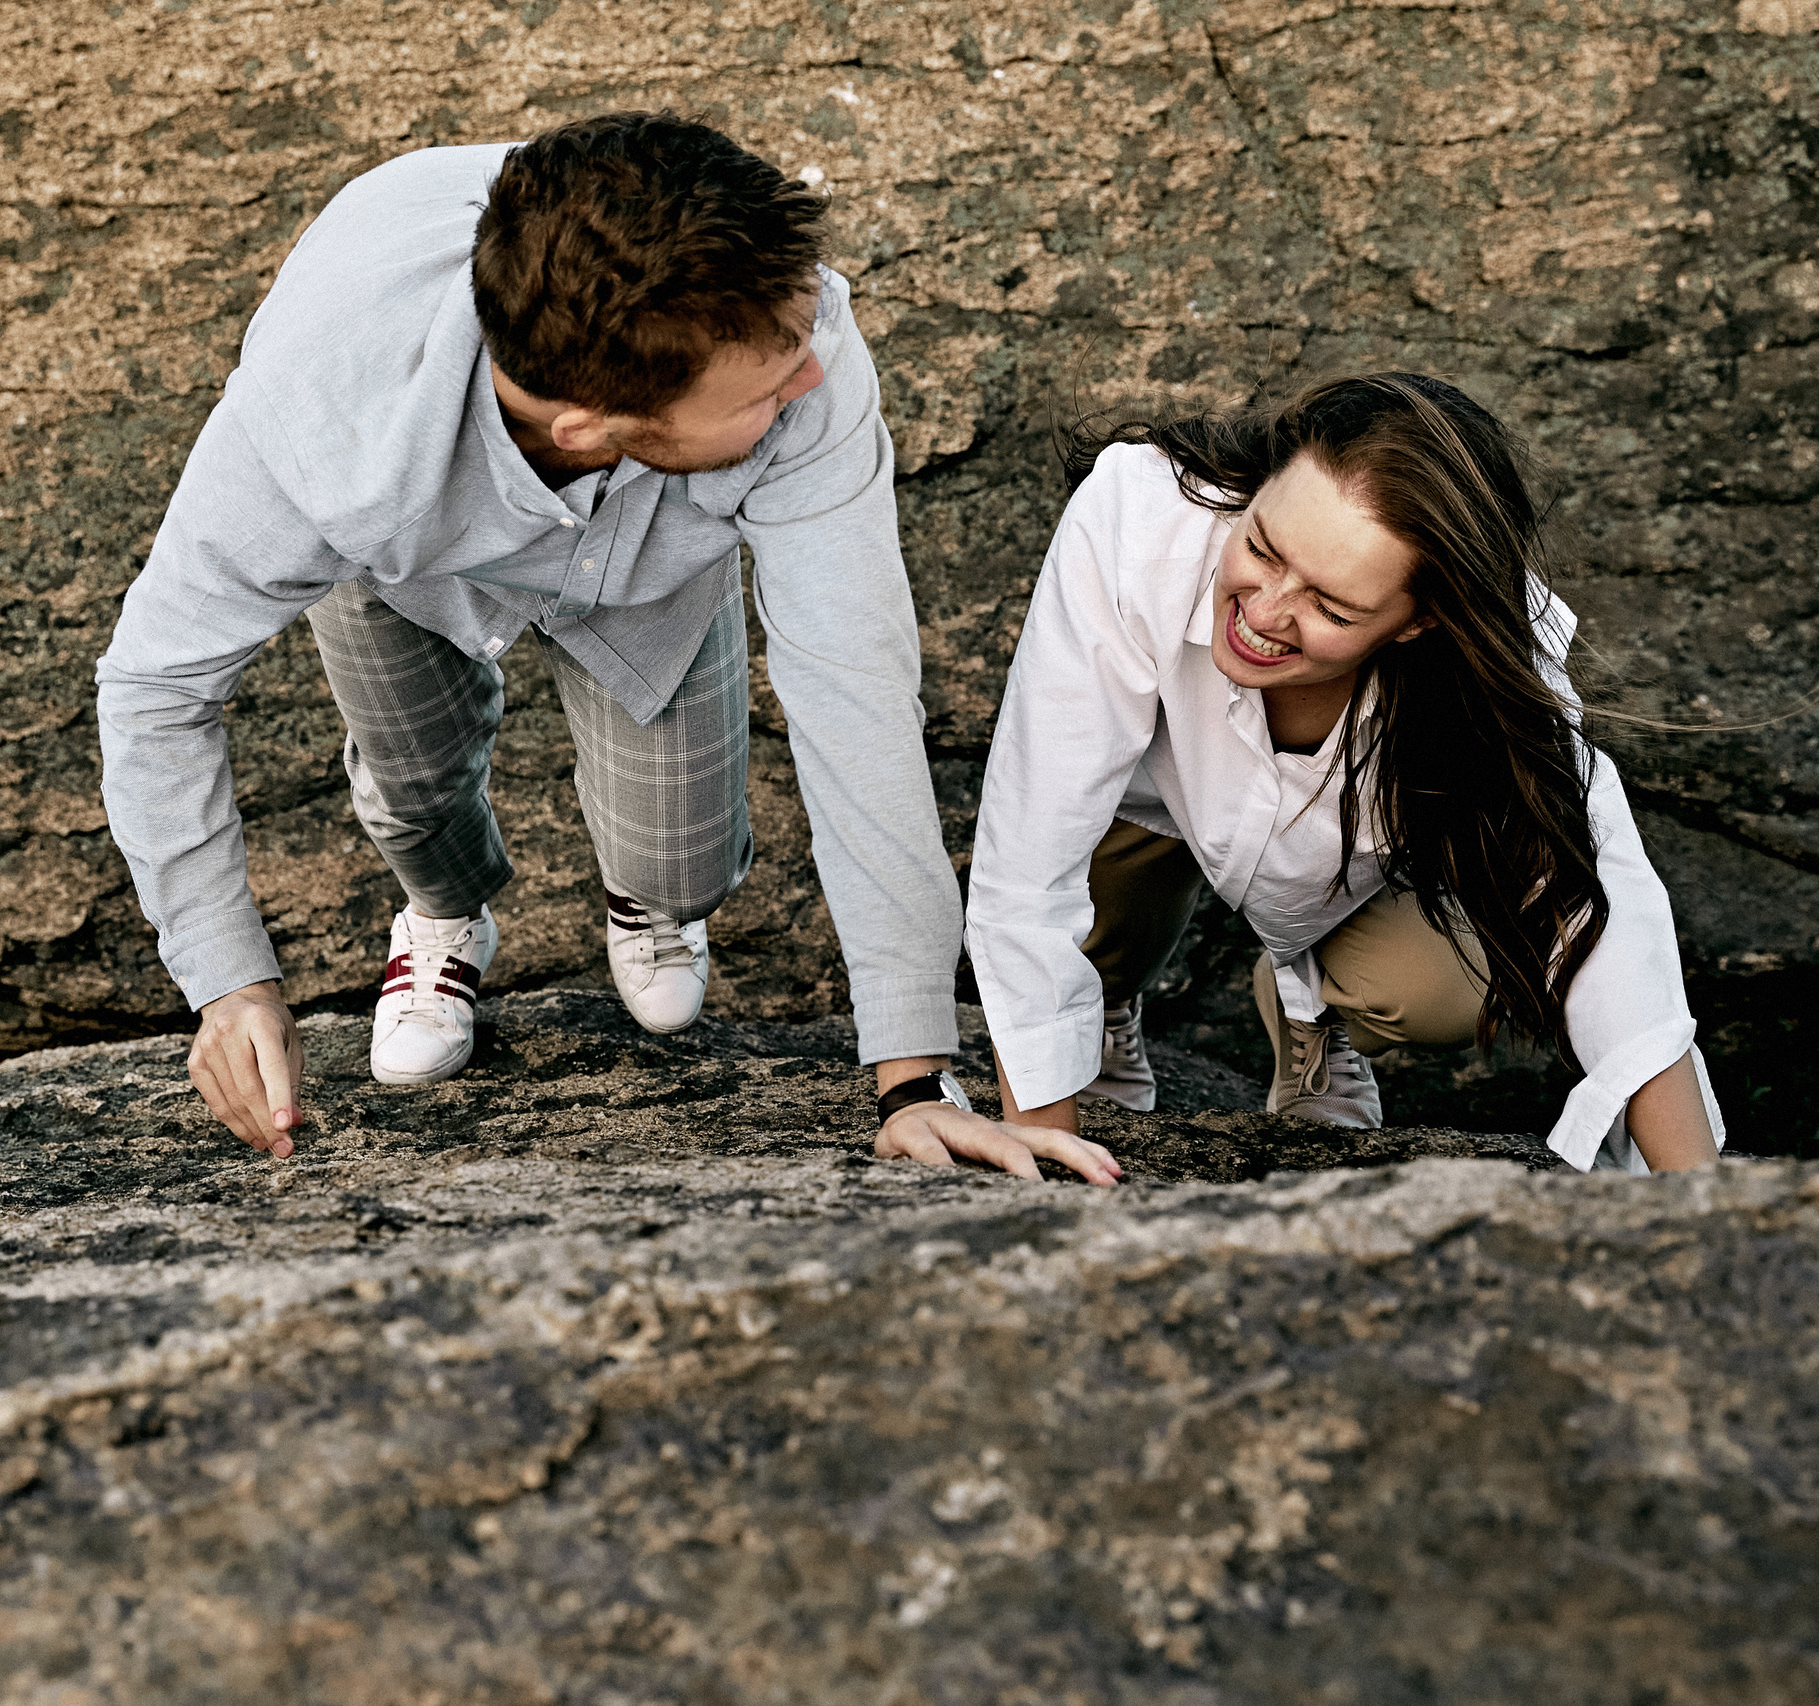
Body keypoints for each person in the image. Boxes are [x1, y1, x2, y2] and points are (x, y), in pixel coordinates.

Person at [95, 112, 1115, 1184]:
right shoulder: (317, 426)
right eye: (765, 393)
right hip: (400, 560)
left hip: (648, 570)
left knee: (682, 864)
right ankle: (445, 918)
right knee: (415, 790)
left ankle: (649, 905)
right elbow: (153, 687)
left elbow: (856, 692)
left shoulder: (789, 331)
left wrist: (913, 1079)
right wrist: (229, 983)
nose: (811, 382)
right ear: (583, 424)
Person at [962, 373, 1724, 1175]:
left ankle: (1310, 1010)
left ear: (1421, 620)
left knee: (1455, 979)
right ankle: (1104, 1002)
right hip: (1137, 804)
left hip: (1336, 875)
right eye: (1260, 547)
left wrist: (1698, 1205)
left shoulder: (1494, 664)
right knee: (1081, 888)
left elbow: (1605, 926)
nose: (1262, 612)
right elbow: (1031, 851)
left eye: (1331, 607)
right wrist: (1043, 1147)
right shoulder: (1139, 515)